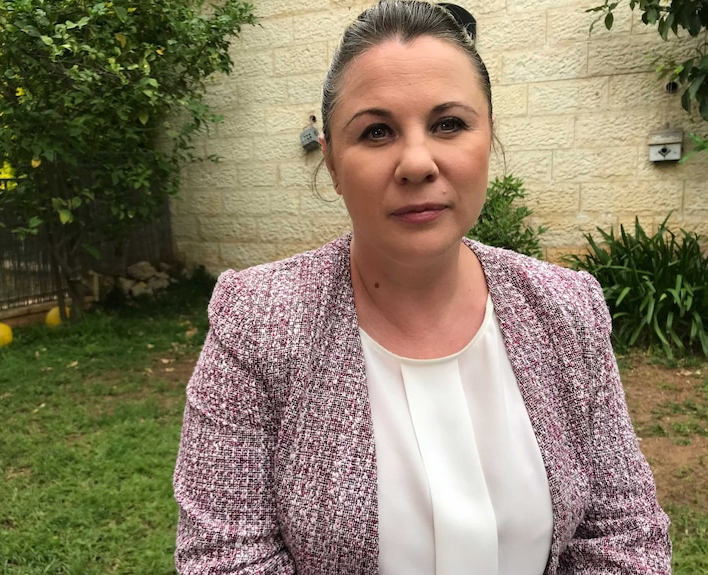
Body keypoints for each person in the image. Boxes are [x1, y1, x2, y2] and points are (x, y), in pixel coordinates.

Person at [172, 1, 672, 573]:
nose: (416, 162)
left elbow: (623, 536)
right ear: (332, 164)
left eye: (448, 124)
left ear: (489, 141)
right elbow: (226, 558)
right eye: (377, 131)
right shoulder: (259, 323)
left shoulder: (564, 309)